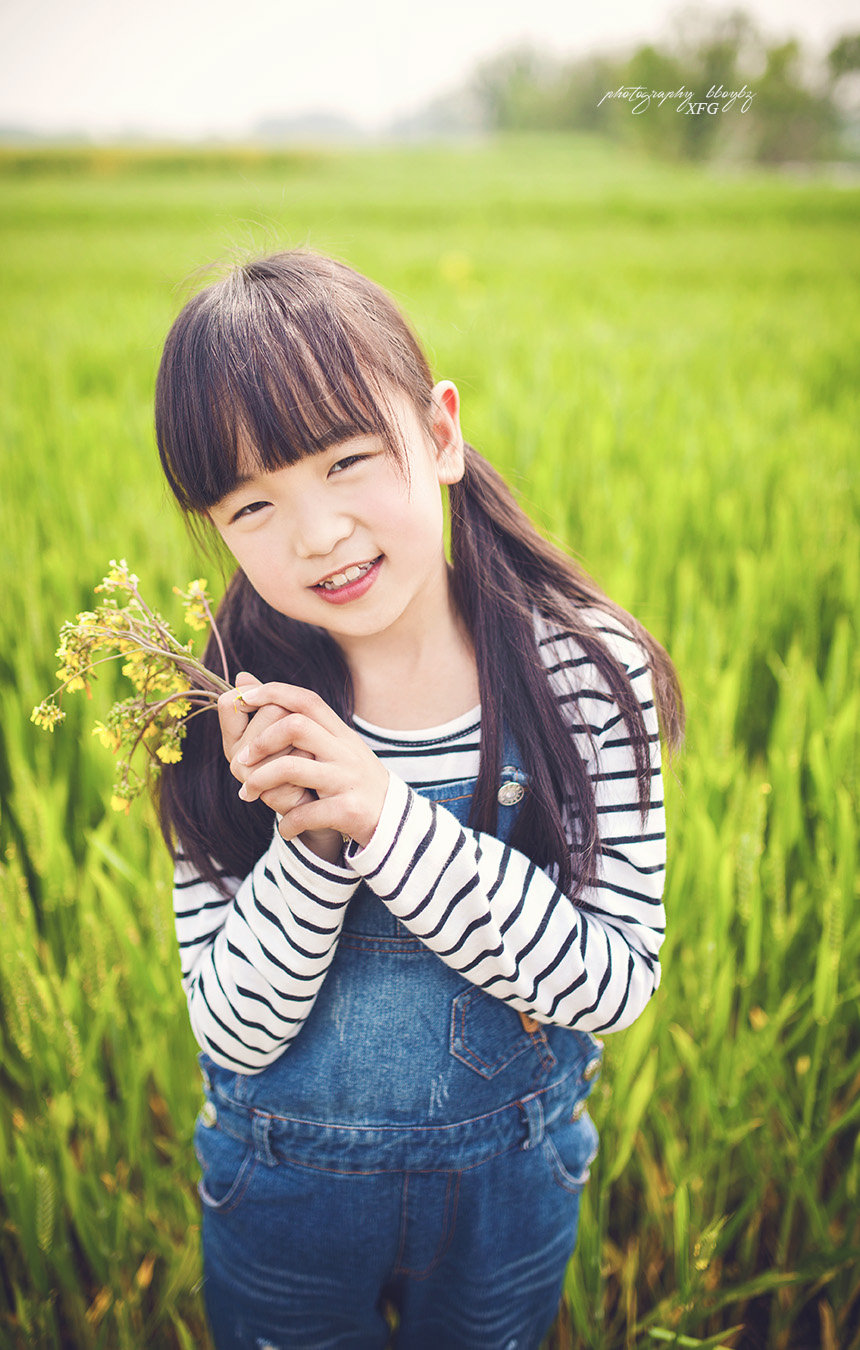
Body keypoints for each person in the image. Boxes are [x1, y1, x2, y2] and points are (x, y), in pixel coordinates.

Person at [153, 249, 683, 1350]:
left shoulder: (585, 667)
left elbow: (615, 983)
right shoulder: (224, 711)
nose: (316, 534)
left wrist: (386, 817)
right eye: (253, 505)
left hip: (510, 1188)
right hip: (282, 1197)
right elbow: (235, 1028)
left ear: (440, 433)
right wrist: (310, 833)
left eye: (347, 461)